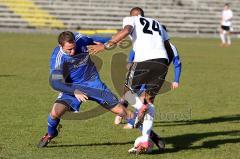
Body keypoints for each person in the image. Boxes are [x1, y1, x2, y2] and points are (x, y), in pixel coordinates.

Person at [88, 7, 178, 153]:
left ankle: (139, 107)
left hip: (143, 61)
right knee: (149, 102)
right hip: (162, 62)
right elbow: (168, 48)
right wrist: (164, 66)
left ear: (132, 15)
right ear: (144, 14)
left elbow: (126, 31)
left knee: (127, 93)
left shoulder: (131, 19)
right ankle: (144, 139)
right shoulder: (157, 23)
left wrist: (106, 46)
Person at [37, 31, 135, 148]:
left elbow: (93, 39)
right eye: (68, 50)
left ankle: (150, 135)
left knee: (122, 112)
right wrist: (74, 91)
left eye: (73, 48)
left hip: (94, 84)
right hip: (73, 87)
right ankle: (51, 134)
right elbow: (55, 82)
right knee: (55, 112)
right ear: (60, 46)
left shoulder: (80, 39)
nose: (72, 52)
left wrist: (113, 40)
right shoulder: (58, 59)